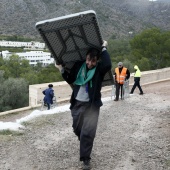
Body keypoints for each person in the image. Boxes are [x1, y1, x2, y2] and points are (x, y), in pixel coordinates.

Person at [55, 41, 111, 170]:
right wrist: (61, 69)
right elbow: (70, 79)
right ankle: (84, 140)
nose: (90, 63)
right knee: (76, 128)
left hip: (92, 106)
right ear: (85, 58)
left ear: (97, 61)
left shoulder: (99, 70)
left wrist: (103, 48)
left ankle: (86, 159)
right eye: (88, 60)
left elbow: (108, 64)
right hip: (77, 103)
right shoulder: (79, 65)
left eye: (93, 61)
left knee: (88, 132)